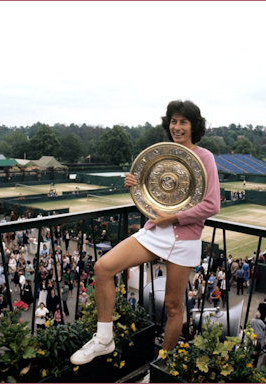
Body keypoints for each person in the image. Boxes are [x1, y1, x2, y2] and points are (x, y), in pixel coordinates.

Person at [70, 100, 220, 365]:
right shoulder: (160, 154)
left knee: (173, 307)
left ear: (194, 125)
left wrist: (174, 217)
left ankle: (163, 365)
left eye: (183, 122)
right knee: (103, 268)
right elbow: (154, 197)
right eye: (173, 121)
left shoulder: (205, 157)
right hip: (155, 232)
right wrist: (135, 184)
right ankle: (104, 338)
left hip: (185, 239)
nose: (177, 127)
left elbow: (212, 205)